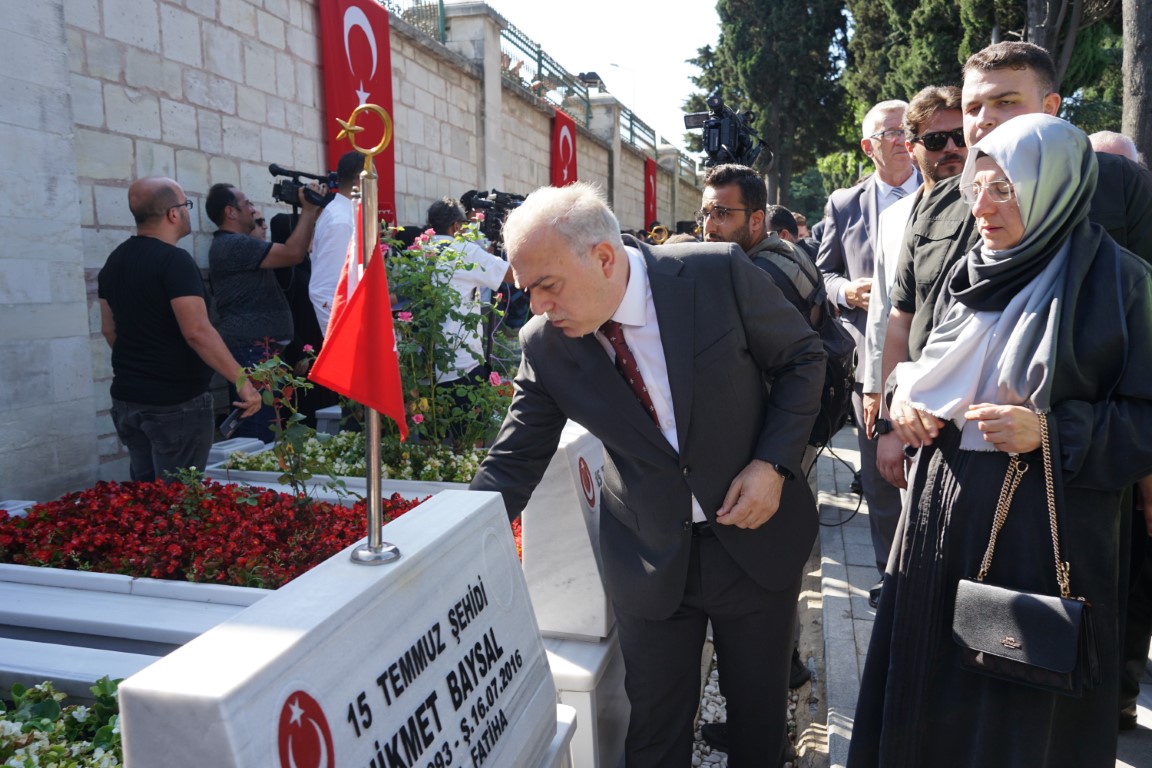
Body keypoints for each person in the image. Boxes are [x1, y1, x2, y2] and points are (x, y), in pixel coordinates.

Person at [470, 182, 824, 767]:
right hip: (650, 556)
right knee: (655, 730)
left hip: (756, 538)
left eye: (546, 286)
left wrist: (773, 464)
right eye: (526, 289)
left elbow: (801, 360)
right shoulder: (547, 344)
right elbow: (514, 459)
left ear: (604, 259)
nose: (535, 306)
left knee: (759, 721)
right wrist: (456, 542)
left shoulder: (713, 274)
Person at [848, 113, 1152, 767]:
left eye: (1003, 190)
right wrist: (907, 400)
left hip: (1043, 533)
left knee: (1016, 712)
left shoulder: (1119, 283)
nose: (980, 208)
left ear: (1054, 187)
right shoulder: (976, 271)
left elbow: (1145, 418)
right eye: (975, 189)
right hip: (940, 519)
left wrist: (1048, 430)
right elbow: (932, 372)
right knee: (930, 701)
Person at [816, 100, 921, 596]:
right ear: (868, 146)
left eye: (909, 130)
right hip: (870, 365)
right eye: (891, 132)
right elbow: (821, 272)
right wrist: (844, 291)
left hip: (930, 358)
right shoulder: (845, 203)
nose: (903, 139)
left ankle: (931, 580)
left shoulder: (946, 191)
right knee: (881, 477)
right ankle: (890, 578)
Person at [98, 177, 260, 481]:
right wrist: (242, 381)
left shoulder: (114, 261)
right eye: (185, 205)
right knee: (180, 498)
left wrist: (140, 363)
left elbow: (109, 330)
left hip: (128, 399)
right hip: (175, 403)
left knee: (147, 497)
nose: (187, 212)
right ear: (173, 214)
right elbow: (197, 331)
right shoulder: (174, 261)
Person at [861, 85, 967, 491]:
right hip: (904, 400)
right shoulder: (895, 218)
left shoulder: (996, 205)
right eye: (938, 140)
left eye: (961, 136)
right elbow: (889, 313)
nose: (952, 149)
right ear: (913, 146)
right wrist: (879, 396)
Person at [206, 182, 322, 441]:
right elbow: (293, 253)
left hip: (261, 350)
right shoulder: (233, 245)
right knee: (259, 434)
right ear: (231, 212)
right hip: (251, 351)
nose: (251, 208)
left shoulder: (238, 245)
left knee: (269, 429)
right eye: (246, 204)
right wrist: (308, 210)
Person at [425, 197, 512, 390]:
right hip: (462, 364)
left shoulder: (421, 250)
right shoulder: (464, 251)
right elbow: (512, 274)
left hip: (425, 365)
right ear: (455, 226)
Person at [309, 151, 365, 336]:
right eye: (373, 180)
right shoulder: (341, 221)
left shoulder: (346, 215)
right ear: (359, 180)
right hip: (346, 331)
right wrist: (341, 337)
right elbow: (324, 290)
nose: (378, 187)